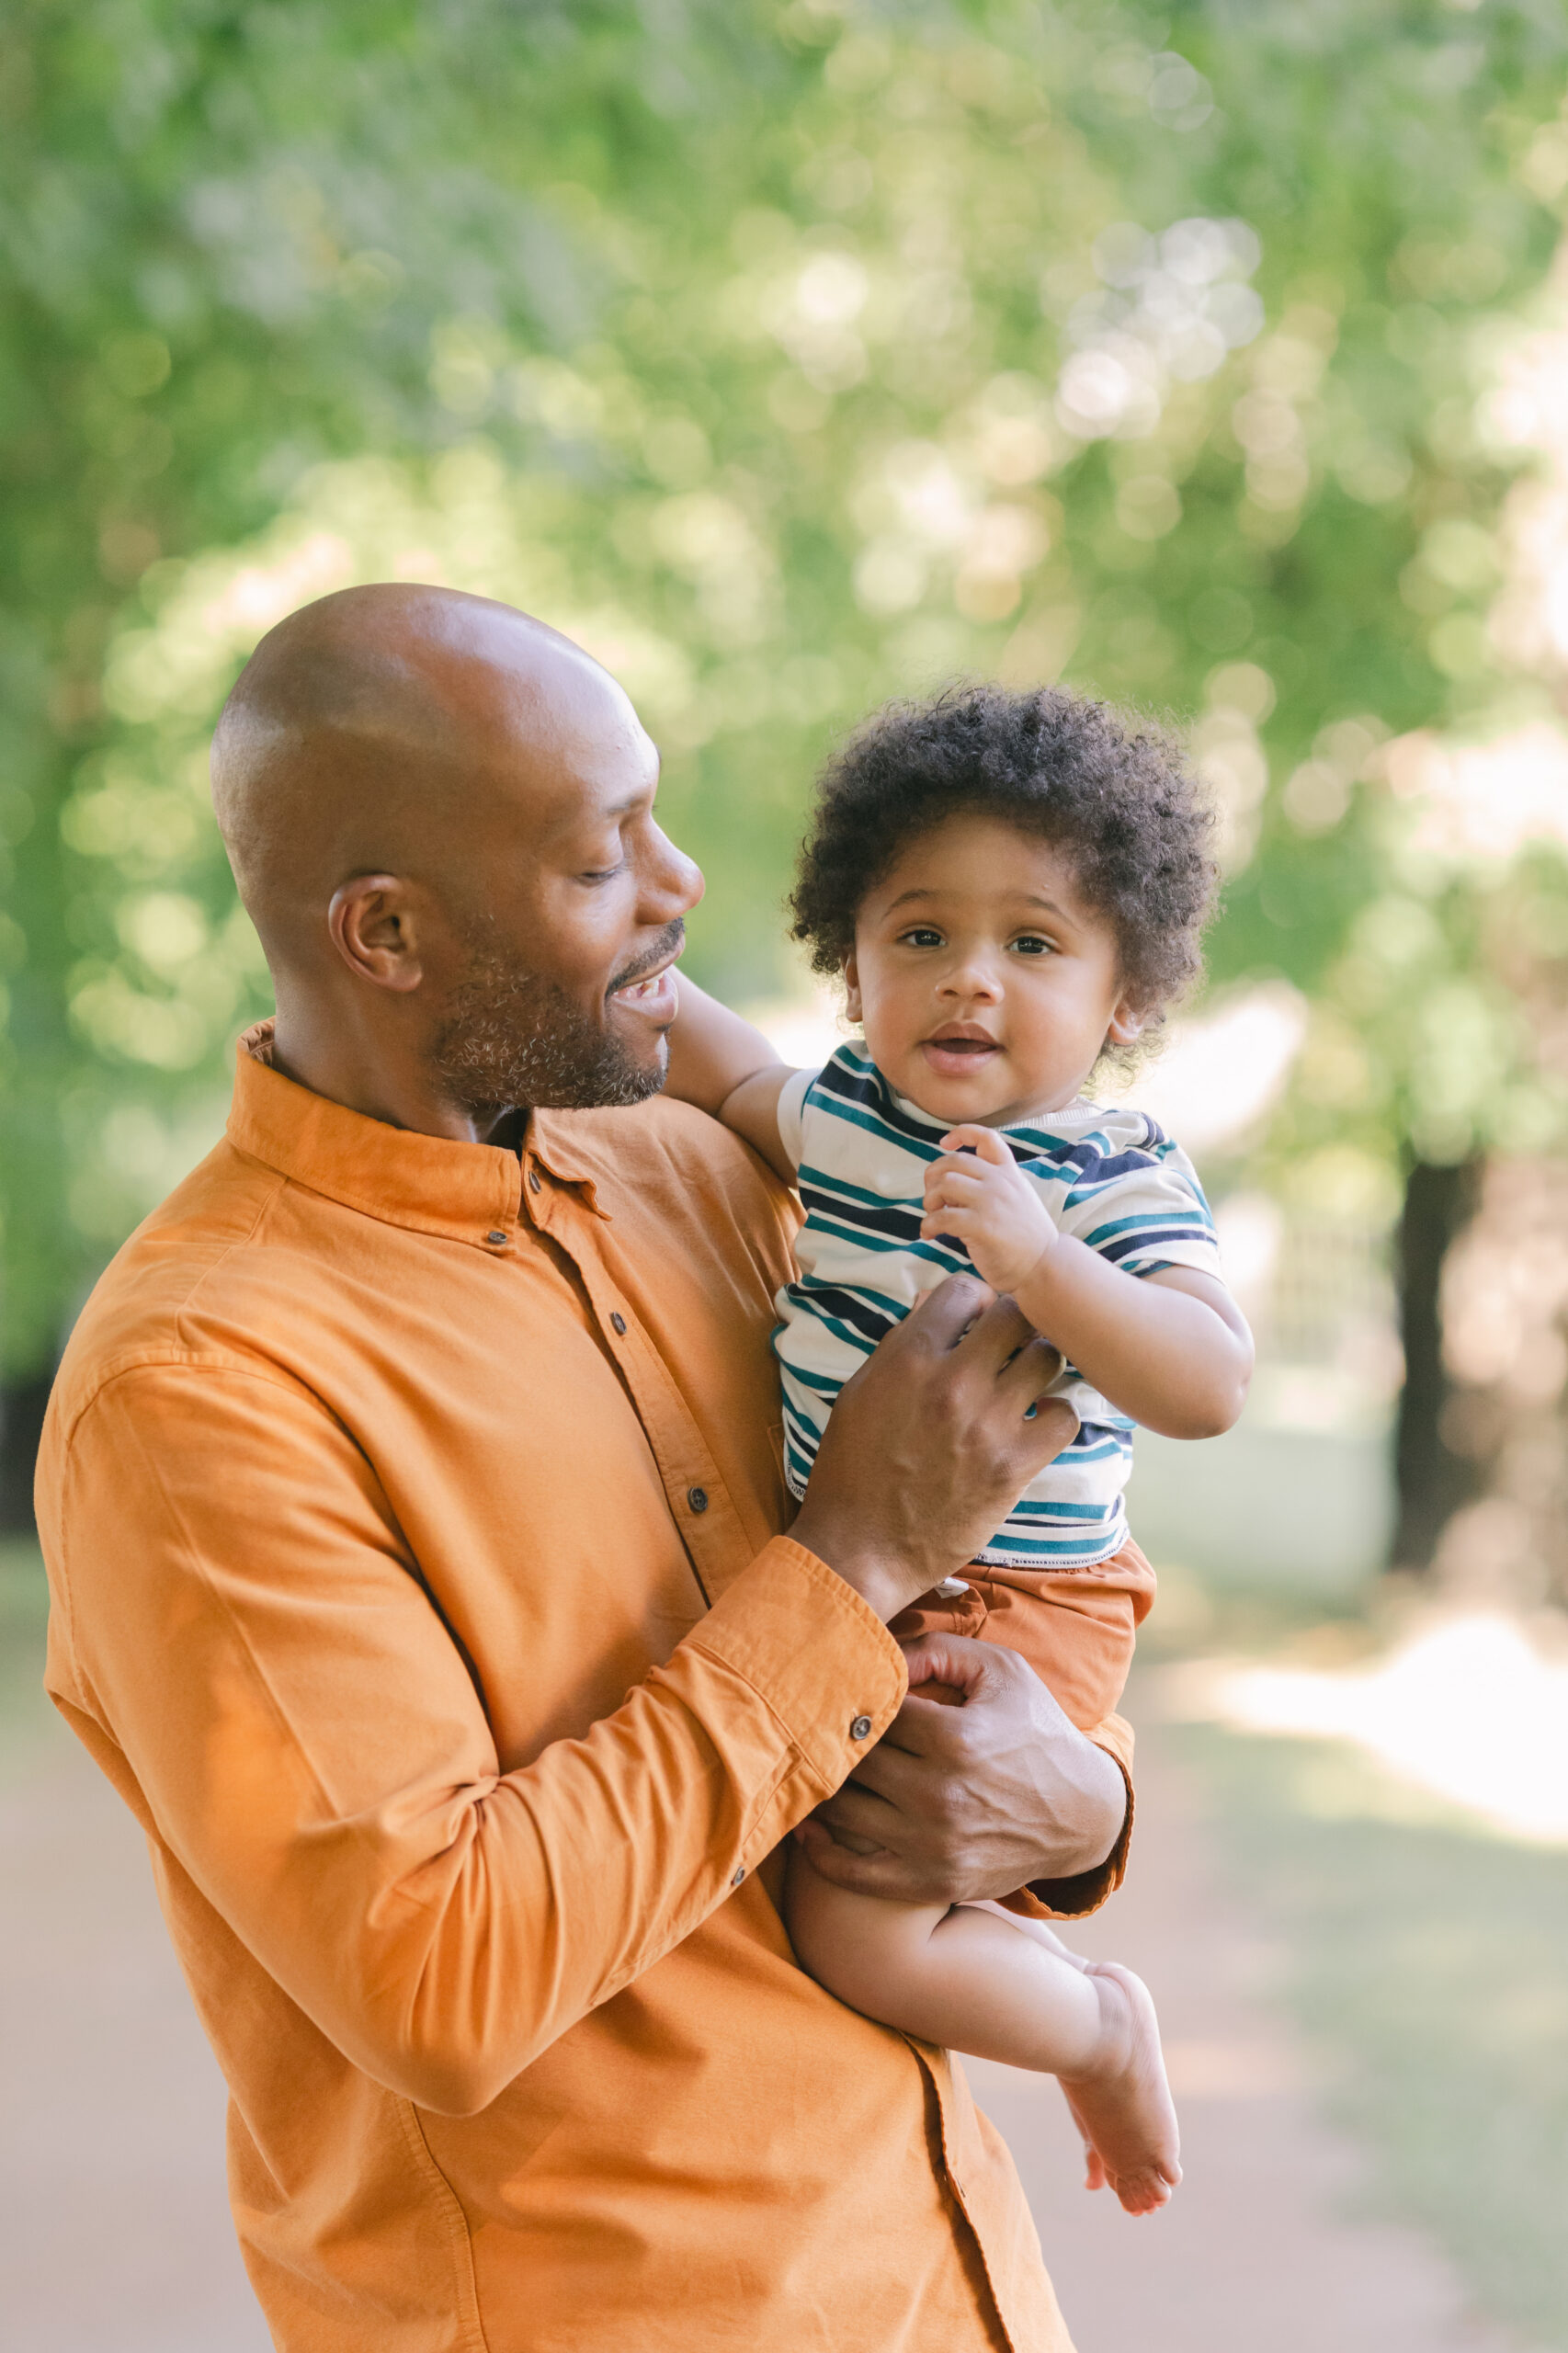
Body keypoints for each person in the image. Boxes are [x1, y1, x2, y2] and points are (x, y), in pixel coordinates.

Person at [36, 585, 1145, 2353]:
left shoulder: (688, 1168)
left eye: (654, 812)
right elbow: (437, 1976)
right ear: (385, 933)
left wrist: (1080, 1795)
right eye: (596, 854)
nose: (681, 883)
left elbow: (1030, 1511)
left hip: (947, 2287)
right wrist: (846, 1563)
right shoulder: (199, 1390)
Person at [665, 684, 1255, 2216]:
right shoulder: (849, 1108)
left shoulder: (1113, 1171)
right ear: (852, 970)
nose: (967, 981)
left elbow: (1205, 1383)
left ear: (1125, 998)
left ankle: (1094, 2025)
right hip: (861, 1575)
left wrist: (1047, 1264)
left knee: (859, 1931)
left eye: (1033, 944)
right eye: (918, 936)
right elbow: (731, 1078)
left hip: (1020, 1603)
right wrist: (621, 972)